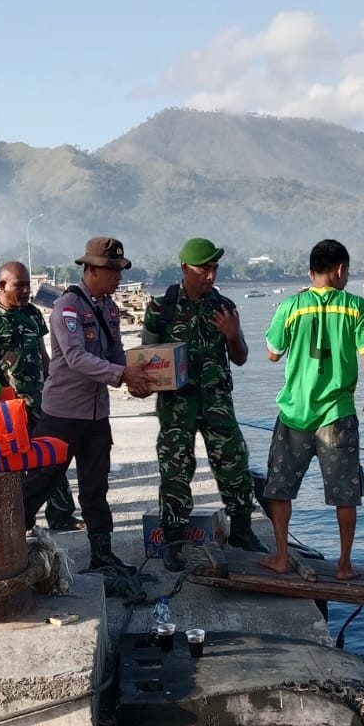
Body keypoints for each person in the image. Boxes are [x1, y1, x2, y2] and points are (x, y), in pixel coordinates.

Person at [255, 239, 364, 581]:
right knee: (346, 494)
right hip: (336, 414)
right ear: (340, 269)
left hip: (294, 413)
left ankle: (281, 556)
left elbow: (271, 353)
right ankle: (344, 565)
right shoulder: (355, 307)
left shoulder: (291, 306)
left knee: (280, 487)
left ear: (311, 271)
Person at [21, 237, 151, 569]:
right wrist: (123, 375)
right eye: (113, 271)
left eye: (120, 270)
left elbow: (116, 351)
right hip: (62, 414)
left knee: (96, 486)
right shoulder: (68, 307)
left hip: (96, 415)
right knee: (41, 482)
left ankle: (103, 555)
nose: (119, 278)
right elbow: (77, 358)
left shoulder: (109, 307)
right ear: (91, 269)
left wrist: (134, 379)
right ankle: (6, 542)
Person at [142, 237, 268, 570]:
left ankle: (242, 530)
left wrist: (232, 333)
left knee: (235, 465)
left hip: (217, 403)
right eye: (204, 269)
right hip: (177, 405)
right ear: (185, 268)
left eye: (214, 268)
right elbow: (145, 358)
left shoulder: (224, 307)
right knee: (175, 472)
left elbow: (240, 358)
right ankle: (173, 539)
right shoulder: (162, 306)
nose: (210, 276)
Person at [0, 261, 81, 531]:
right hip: (6, 406)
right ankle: (18, 519)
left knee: (51, 455)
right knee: (12, 464)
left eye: (27, 286)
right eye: (19, 285)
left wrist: (56, 385)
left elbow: (44, 355)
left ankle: (62, 515)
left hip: (39, 400)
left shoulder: (32, 313)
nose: (25, 291)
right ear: (1, 286)